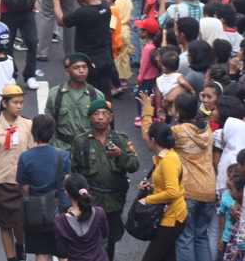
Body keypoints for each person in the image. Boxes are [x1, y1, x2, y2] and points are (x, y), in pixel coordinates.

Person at [139, 92, 215, 261]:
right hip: (209, 190)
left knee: (185, 239)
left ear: (178, 113)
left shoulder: (178, 132)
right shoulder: (206, 129)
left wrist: (147, 109)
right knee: (201, 237)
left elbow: (150, 137)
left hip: (188, 191)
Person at [70, 99, 140, 261]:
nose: (100, 117)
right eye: (96, 114)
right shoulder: (81, 142)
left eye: (104, 114)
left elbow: (134, 165)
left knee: (111, 240)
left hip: (114, 200)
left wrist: (120, 156)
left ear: (111, 117)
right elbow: (75, 171)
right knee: (91, 240)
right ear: (89, 118)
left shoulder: (120, 140)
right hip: (91, 200)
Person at [0, 84, 34, 261]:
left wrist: (31, 183)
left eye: (21, 103)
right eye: (15, 102)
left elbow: (33, 154)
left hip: (21, 184)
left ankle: (20, 245)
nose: (19, 106)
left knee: (19, 224)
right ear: (4, 104)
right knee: (4, 225)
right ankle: (11, 258)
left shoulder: (28, 125)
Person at [16, 114, 71, 261]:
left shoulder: (25, 157)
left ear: (33, 133)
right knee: (63, 252)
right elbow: (67, 182)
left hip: (36, 210)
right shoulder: (62, 155)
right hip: (60, 208)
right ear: (53, 132)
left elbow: (25, 188)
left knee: (41, 253)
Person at [52, 0, 114, 101]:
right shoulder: (105, 7)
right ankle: (109, 119)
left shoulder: (83, 14)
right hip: (106, 58)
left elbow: (61, 21)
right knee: (105, 96)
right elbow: (88, 6)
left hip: (89, 61)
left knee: (89, 97)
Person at [138, 122, 188, 261]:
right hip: (169, 216)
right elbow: (167, 187)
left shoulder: (168, 160)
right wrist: (151, 187)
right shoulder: (165, 157)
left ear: (153, 140)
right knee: (167, 256)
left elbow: (173, 192)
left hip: (172, 218)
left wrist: (147, 200)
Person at [45, 53, 105, 150]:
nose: (82, 71)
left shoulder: (97, 96)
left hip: (88, 148)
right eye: (76, 68)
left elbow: (104, 127)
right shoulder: (55, 94)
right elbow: (47, 124)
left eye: (84, 67)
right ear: (67, 72)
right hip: (61, 148)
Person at [53, 173, 110, 261]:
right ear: (86, 189)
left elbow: (62, 251)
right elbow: (105, 233)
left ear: (67, 193)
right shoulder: (99, 212)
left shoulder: (60, 221)